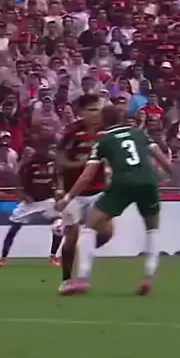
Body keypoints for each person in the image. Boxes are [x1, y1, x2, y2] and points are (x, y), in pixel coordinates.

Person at [56, 105, 175, 296]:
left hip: (122, 184)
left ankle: (83, 279)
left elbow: (87, 176)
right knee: (152, 229)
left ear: (103, 121)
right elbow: (163, 160)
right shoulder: (139, 134)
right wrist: (171, 177)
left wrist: (68, 197)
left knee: (89, 227)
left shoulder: (103, 140)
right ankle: (148, 277)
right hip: (147, 182)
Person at [55, 94, 108, 288]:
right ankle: (66, 280)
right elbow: (59, 159)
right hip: (74, 192)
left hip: (98, 190)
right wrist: (78, 165)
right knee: (71, 238)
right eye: (92, 110)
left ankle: (83, 250)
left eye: (98, 109)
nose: (96, 114)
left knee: (108, 233)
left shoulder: (105, 131)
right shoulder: (72, 132)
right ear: (81, 112)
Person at [0, 138, 62, 267]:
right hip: (30, 203)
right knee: (14, 228)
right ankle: (3, 258)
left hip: (47, 201)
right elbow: (18, 182)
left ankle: (53, 257)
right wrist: (23, 195)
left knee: (59, 225)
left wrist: (59, 191)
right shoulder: (28, 166)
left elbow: (58, 178)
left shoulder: (52, 165)